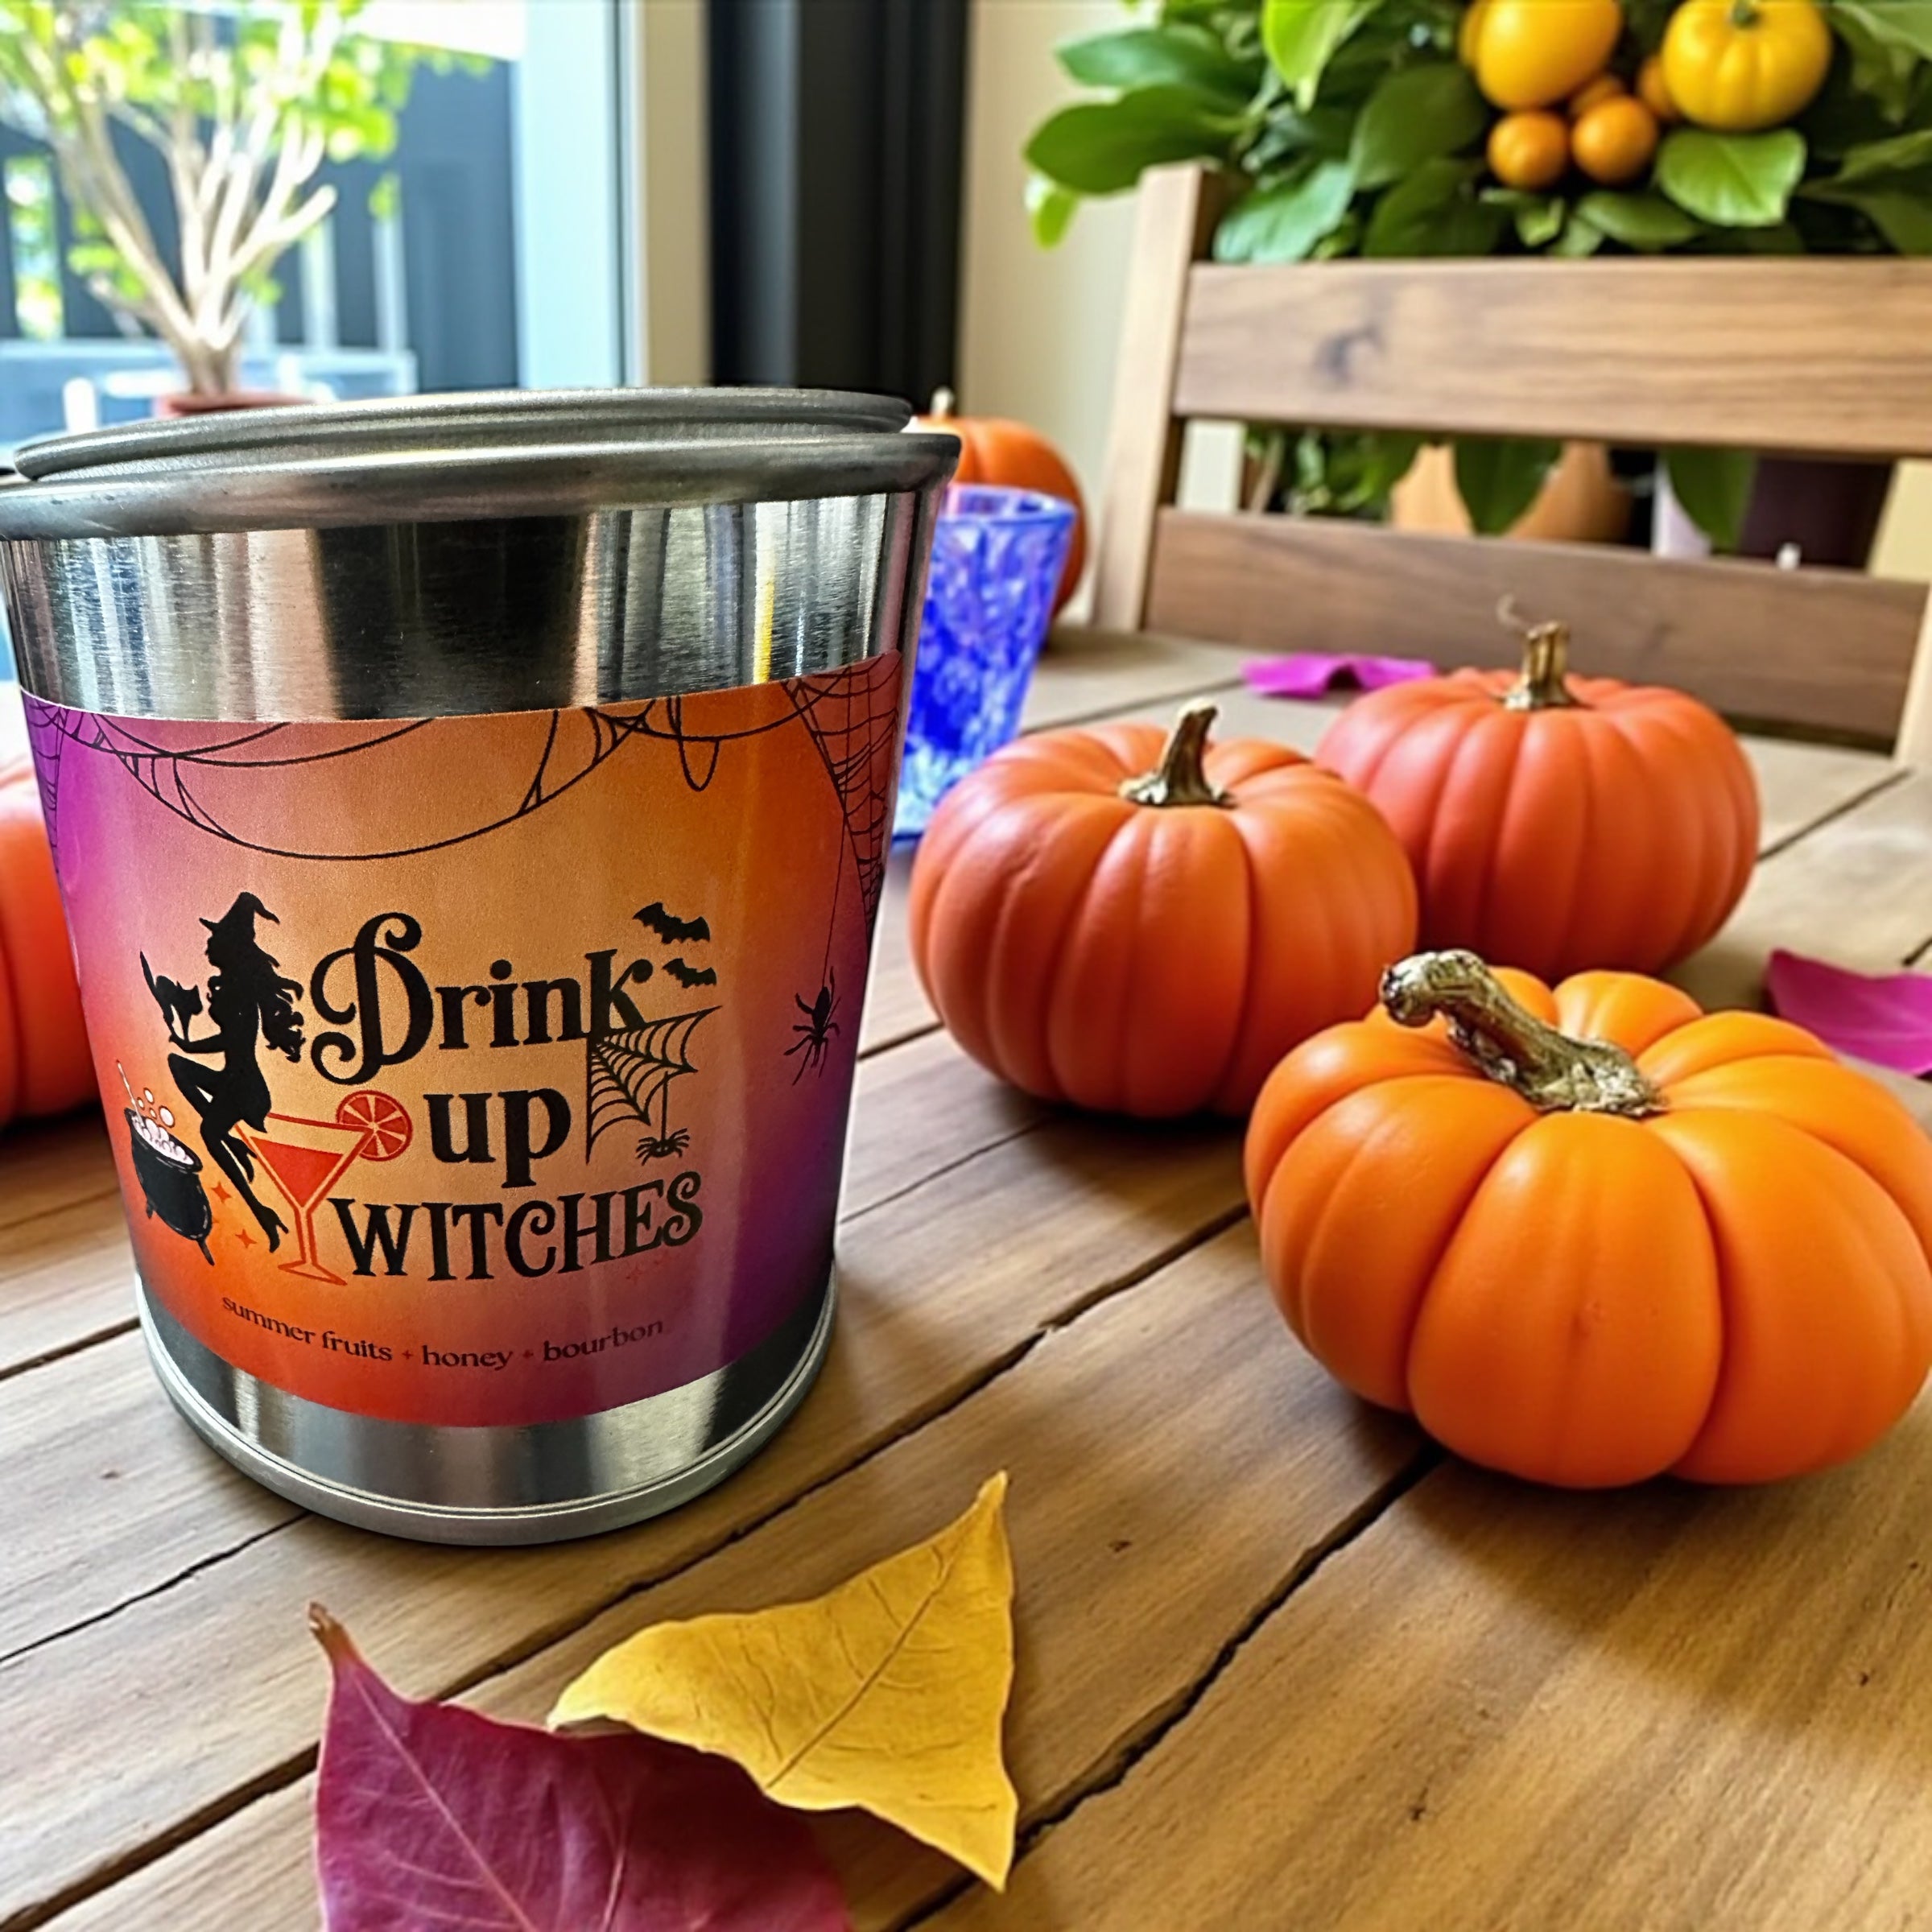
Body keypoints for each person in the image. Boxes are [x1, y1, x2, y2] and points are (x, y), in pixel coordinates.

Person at [159, 893, 305, 1249]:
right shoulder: (228, 986)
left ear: (230, 946)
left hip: (246, 1086)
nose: (207, 945)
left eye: (214, 939)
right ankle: (229, 1143)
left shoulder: (240, 989)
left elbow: (236, 1039)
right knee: (178, 1067)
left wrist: (192, 1045)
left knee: (210, 1133)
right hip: (231, 1079)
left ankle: (259, 1210)